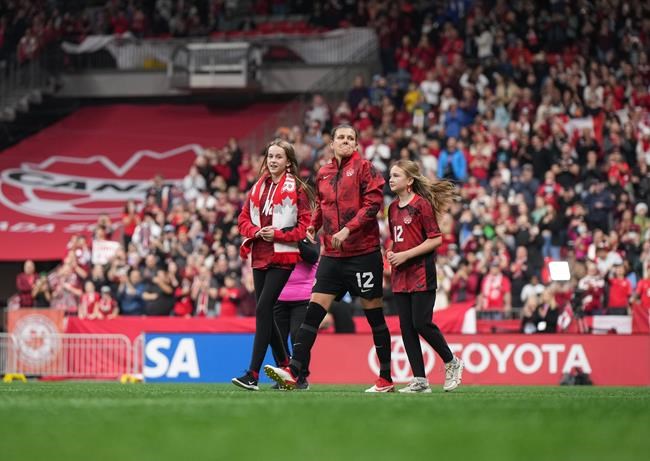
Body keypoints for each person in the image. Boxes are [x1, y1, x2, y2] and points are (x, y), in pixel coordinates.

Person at [264, 124, 394, 392]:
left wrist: (348, 229)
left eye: (350, 138)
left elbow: (373, 205)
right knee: (313, 313)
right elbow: (322, 207)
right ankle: (294, 372)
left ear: (356, 145)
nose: (345, 141)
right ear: (332, 143)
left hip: (364, 254)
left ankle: (385, 378)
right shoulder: (323, 172)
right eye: (341, 137)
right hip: (333, 256)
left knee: (374, 317)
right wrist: (313, 226)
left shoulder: (366, 168)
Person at [232, 139, 312, 391]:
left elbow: (304, 228)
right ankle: (286, 366)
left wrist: (277, 234)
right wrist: (256, 232)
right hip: (259, 254)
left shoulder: (297, 188)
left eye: (278, 156)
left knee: (263, 308)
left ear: (288, 162)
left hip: (283, 256)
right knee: (266, 311)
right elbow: (243, 219)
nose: (273, 160)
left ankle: (253, 374)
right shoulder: (258, 187)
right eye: (270, 156)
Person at [385, 160, 464, 393]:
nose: (390, 179)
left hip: (421, 272)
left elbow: (435, 239)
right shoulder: (392, 208)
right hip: (401, 274)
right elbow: (398, 239)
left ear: (409, 180)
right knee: (406, 327)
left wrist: (406, 255)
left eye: (396, 175)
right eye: (390, 175)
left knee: (421, 323)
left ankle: (452, 361)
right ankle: (420, 380)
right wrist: (391, 252)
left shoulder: (421, 205)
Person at [271, 255, 319, 390]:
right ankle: (283, 373)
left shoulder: (310, 241)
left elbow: (313, 256)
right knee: (277, 338)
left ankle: (301, 376)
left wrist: (295, 243)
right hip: (278, 295)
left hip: (303, 297)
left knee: (298, 336)